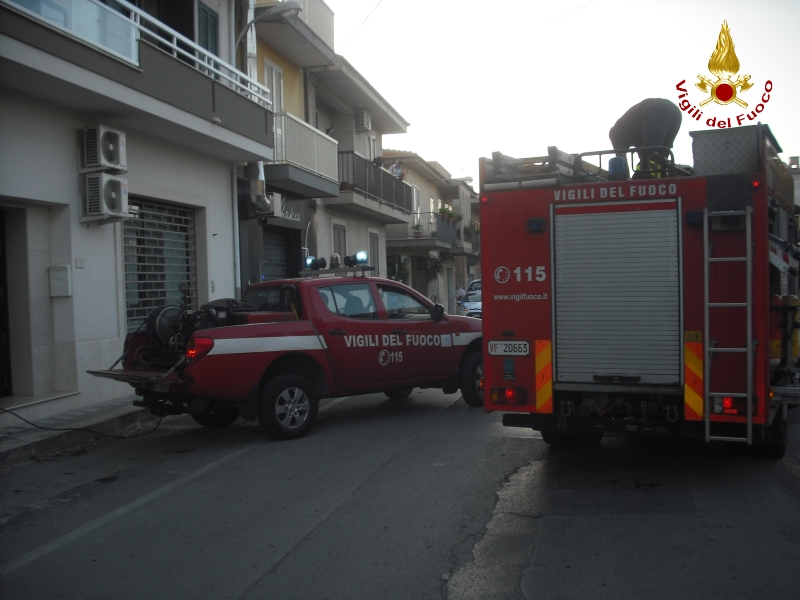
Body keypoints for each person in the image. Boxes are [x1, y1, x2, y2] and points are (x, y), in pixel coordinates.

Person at [609, 99, 682, 179]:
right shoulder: (633, 131)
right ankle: (660, 176)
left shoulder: (616, 132)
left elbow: (621, 159)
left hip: (656, 109)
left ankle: (646, 176)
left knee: (649, 151)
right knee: (661, 155)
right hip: (675, 112)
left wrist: (627, 181)